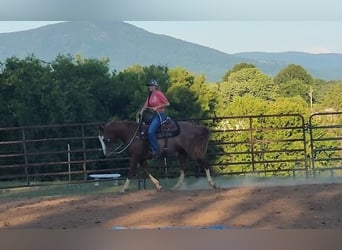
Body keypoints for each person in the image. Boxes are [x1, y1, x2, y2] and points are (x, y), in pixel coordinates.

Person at [139, 79, 170, 159]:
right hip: (152, 115)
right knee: (143, 130)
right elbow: (146, 105)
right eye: (149, 86)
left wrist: (157, 107)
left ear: (155, 86)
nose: (149, 87)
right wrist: (141, 111)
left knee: (150, 131)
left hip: (160, 114)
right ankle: (147, 148)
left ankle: (156, 150)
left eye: (151, 86)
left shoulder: (159, 94)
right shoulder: (149, 95)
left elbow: (167, 103)